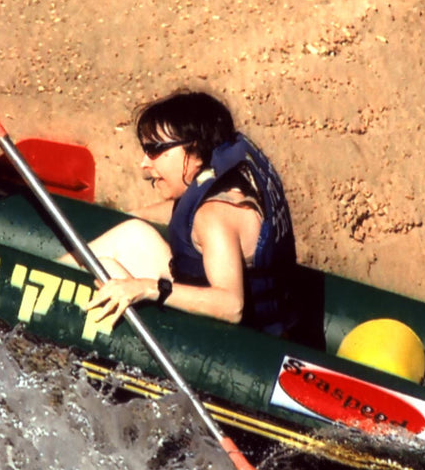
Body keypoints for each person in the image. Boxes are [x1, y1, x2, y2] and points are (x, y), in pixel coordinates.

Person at [73, 91, 300, 335]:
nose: (144, 164)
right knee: (133, 233)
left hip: (231, 342)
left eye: (154, 150)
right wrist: (134, 214)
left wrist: (148, 288)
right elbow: (182, 211)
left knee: (107, 270)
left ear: (193, 150)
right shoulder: (229, 183)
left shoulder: (214, 216)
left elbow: (232, 306)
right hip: (265, 318)